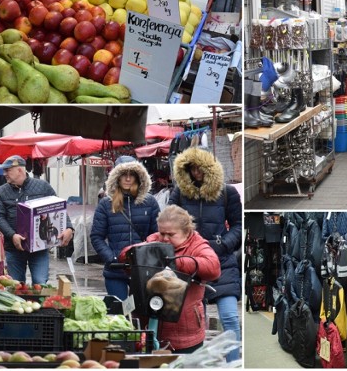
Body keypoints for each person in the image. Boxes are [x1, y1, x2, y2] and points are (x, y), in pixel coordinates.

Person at [168, 147, 242, 362]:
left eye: (200, 167)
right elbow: (169, 224)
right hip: (189, 264)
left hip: (222, 263)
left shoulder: (227, 192)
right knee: (189, 322)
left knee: (229, 318)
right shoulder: (179, 193)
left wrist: (224, 244)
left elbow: (238, 224)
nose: (196, 172)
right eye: (191, 168)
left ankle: (234, 365)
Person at [146, 205, 221, 354]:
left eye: (171, 234)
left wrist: (177, 262)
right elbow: (127, 256)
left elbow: (214, 268)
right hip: (151, 329)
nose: (165, 238)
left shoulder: (198, 245)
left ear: (187, 232)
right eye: (162, 233)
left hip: (185, 334)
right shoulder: (153, 241)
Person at [0, 155, 74, 284]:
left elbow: (58, 208)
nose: (4, 174)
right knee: (16, 285)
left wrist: (69, 227)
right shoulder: (1, 192)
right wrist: (12, 235)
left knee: (40, 282)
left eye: (8, 170)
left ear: (19, 170)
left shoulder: (43, 187)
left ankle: (39, 304)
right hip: (14, 248)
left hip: (39, 248)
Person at [90, 156, 160, 300]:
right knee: (119, 313)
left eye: (132, 174)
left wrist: (148, 256)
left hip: (142, 269)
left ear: (138, 177)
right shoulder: (106, 204)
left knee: (142, 314)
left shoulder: (150, 202)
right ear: (117, 177)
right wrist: (111, 258)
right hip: (116, 269)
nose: (128, 179)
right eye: (124, 174)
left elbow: (157, 234)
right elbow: (97, 236)